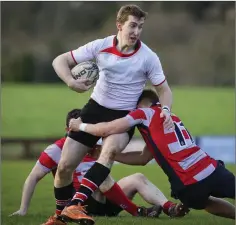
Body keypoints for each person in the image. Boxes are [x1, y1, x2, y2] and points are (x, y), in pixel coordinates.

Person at [52, 4, 174, 225]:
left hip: (124, 116)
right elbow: (59, 60)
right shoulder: (100, 46)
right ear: (119, 25)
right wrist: (71, 81)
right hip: (95, 109)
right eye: (133, 26)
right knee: (64, 167)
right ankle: (61, 216)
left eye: (140, 27)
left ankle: (74, 206)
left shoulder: (148, 57)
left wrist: (165, 109)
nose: (136, 32)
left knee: (107, 153)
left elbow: (164, 90)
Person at [69, 89, 235, 220]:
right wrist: (111, 155)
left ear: (141, 104)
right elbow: (143, 158)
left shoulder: (144, 114)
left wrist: (81, 127)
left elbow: (109, 128)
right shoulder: (172, 117)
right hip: (211, 168)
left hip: (189, 182)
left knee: (205, 203)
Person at [10, 109, 184, 225]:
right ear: (68, 129)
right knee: (101, 177)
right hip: (81, 202)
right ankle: (137, 211)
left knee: (137, 178)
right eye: (78, 131)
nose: (84, 136)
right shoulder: (56, 149)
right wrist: (23, 209)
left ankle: (170, 208)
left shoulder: (96, 146)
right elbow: (33, 177)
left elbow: (138, 159)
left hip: (107, 198)